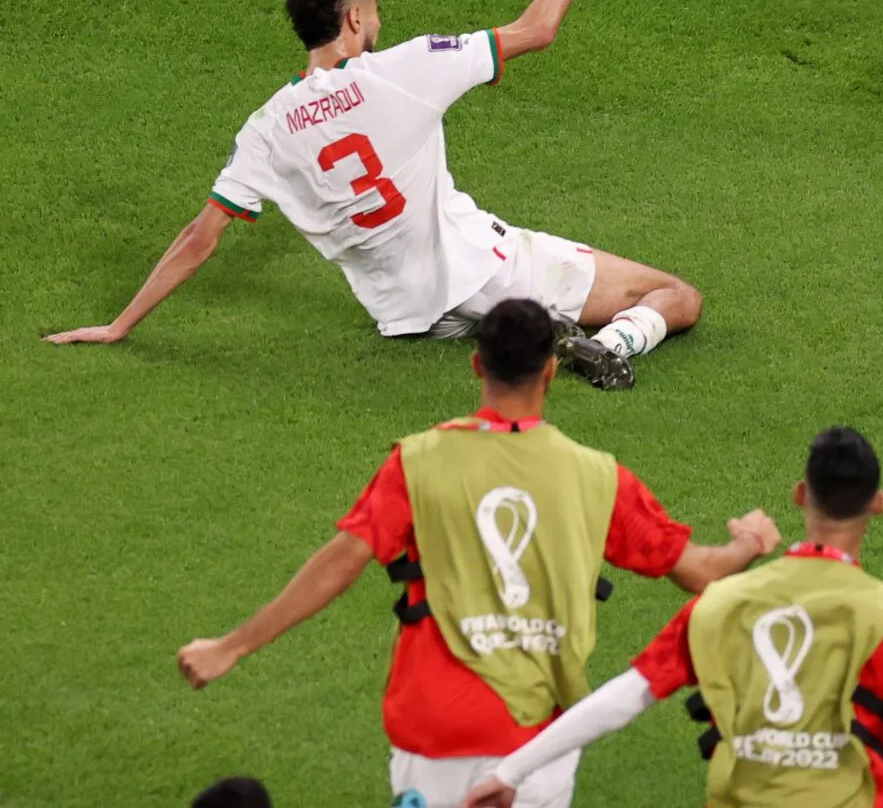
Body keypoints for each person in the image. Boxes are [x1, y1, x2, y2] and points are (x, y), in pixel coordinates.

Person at [45, 0, 700, 387]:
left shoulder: (267, 127)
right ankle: (608, 346)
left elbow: (201, 236)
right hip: (480, 269)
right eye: (375, 9)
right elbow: (538, 29)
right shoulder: (404, 70)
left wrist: (120, 324)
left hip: (408, 314)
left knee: (491, 294)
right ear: (353, 19)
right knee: (674, 296)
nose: (381, 21)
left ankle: (527, 326)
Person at [175, 299, 781, 808]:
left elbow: (340, 562)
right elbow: (702, 573)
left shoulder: (418, 460)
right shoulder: (599, 478)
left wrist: (231, 646)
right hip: (539, 745)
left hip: (435, 730)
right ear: (549, 372)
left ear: (475, 364)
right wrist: (749, 541)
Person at [462, 426, 883, 808]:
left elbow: (623, 698)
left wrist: (509, 772)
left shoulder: (721, 603)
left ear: (800, 494)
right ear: (877, 502)